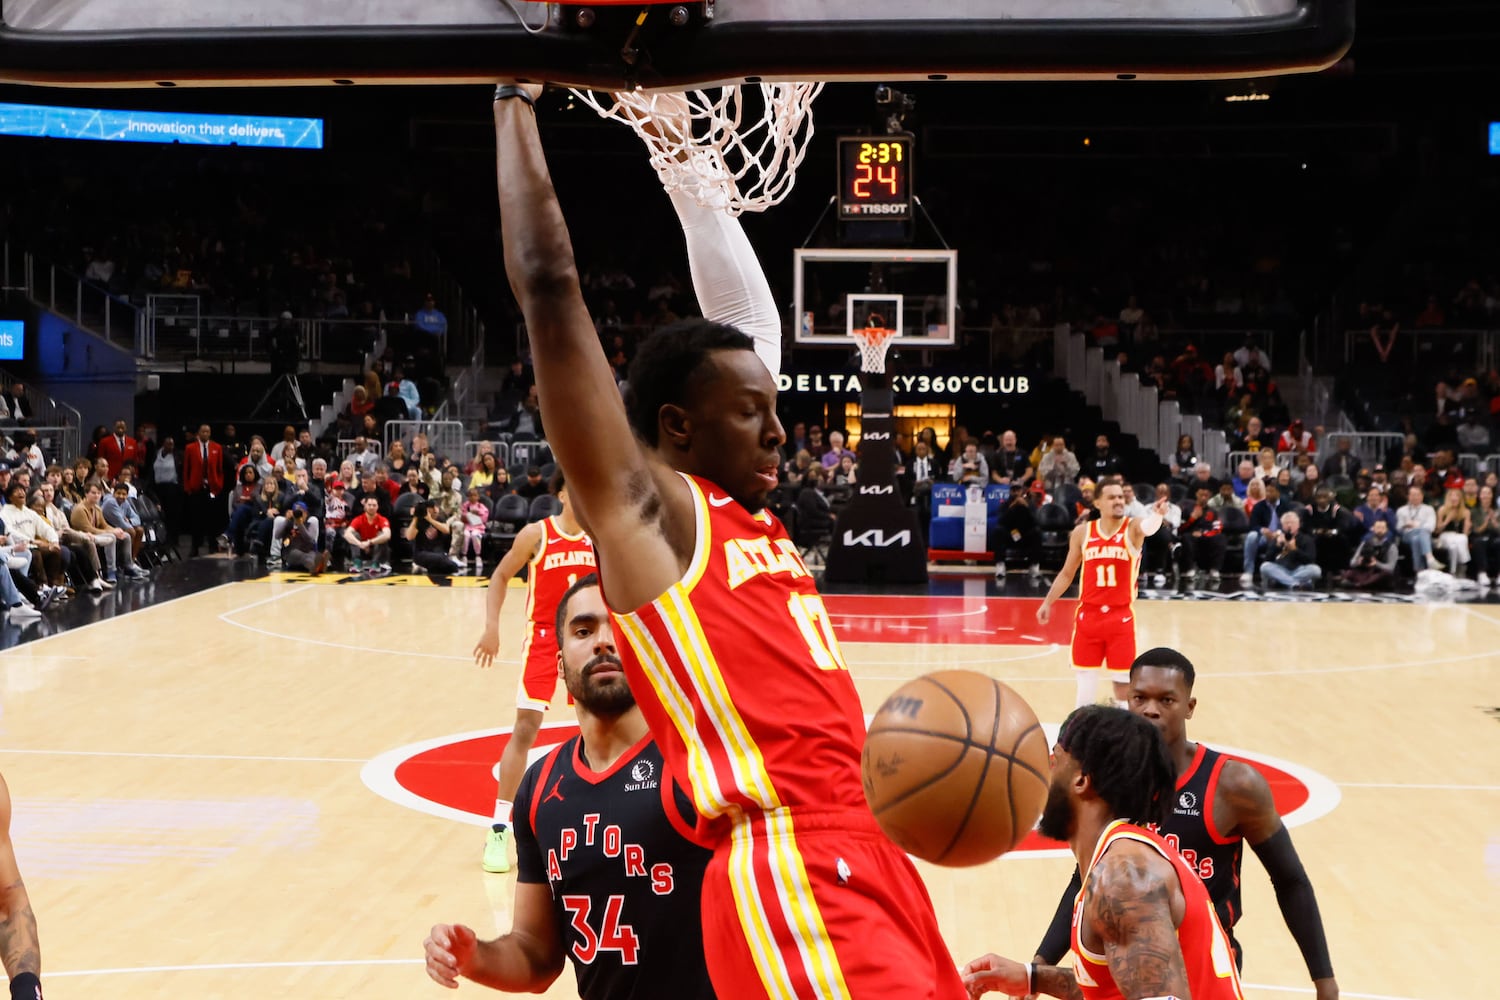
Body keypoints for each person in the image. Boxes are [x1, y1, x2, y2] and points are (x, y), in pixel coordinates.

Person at [493, 83, 964, 998]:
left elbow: (752, 335)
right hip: (788, 865)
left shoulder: (747, 515)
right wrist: (515, 96)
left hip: (866, 856)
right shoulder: (652, 521)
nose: (782, 432)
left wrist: (683, 161)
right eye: (754, 415)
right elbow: (551, 291)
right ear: (676, 428)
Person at [425, 575, 714, 998]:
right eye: (584, 630)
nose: (603, 641)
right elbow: (536, 956)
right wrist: (476, 958)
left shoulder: (702, 763)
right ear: (560, 663)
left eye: (620, 627)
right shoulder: (540, 789)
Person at [1029, 650, 1337, 999]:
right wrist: (1035, 971)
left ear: (1189, 706)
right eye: (1140, 698)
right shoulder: (1117, 792)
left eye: (1166, 700)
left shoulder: (1231, 785)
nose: (1150, 710)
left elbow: (1290, 879)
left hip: (1196, 962)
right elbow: (1087, 881)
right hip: (1142, 956)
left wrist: (1323, 980)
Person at [962, 705, 1245, 1000]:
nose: (1045, 770)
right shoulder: (1125, 856)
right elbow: (1121, 985)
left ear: (1082, 780)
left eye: (1055, 759)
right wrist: (1033, 978)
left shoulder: (1123, 878)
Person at [471, 468, 595, 874]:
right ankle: (499, 828)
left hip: (588, 634)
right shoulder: (536, 535)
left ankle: (600, 816)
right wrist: (492, 627)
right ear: (561, 493)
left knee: (596, 725)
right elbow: (501, 575)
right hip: (544, 637)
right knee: (525, 728)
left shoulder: (599, 536)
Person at [1036, 481, 1167, 708]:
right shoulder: (1082, 533)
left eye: (1120, 497)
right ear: (1097, 503)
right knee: (1086, 686)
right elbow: (1067, 574)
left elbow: (1149, 528)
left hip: (1120, 617)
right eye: (1112, 497)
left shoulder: (1132, 527)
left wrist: (1156, 516)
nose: (1118, 501)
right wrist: (1048, 602)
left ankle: (1123, 736)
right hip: (1089, 617)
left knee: (1122, 686)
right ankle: (1081, 737)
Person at [1260, 510, 1321, 590]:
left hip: (1300, 569)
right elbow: (1267, 559)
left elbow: (1310, 560)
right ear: (1282, 526)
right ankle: (1294, 583)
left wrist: (1295, 550)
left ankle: (1284, 582)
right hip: (1281, 569)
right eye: (1286, 523)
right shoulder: (1278, 539)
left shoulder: (1306, 539)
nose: (1289, 525)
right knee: (1264, 567)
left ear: (1298, 525)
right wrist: (1277, 546)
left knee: (1316, 570)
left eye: (1292, 522)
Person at [342, 496, 391, 576]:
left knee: (382, 535)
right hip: (362, 548)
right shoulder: (358, 519)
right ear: (365, 506)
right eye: (369, 505)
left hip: (376, 549)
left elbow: (387, 535)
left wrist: (370, 542)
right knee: (353, 535)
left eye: (374, 505)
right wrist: (359, 543)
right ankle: (357, 563)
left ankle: (376, 563)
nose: (371, 507)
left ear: (378, 507)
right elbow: (347, 534)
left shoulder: (382, 519)